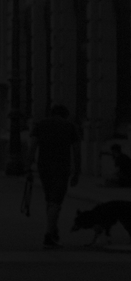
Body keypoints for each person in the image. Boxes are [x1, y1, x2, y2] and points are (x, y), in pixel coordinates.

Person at [26, 104, 81, 249]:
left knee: (49, 199)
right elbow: (76, 150)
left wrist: (28, 167)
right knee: (56, 201)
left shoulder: (41, 124)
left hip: (44, 166)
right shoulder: (70, 126)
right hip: (62, 167)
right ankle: (49, 235)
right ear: (65, 115)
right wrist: (77, 172)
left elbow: (32, 146)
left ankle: (53, 230)